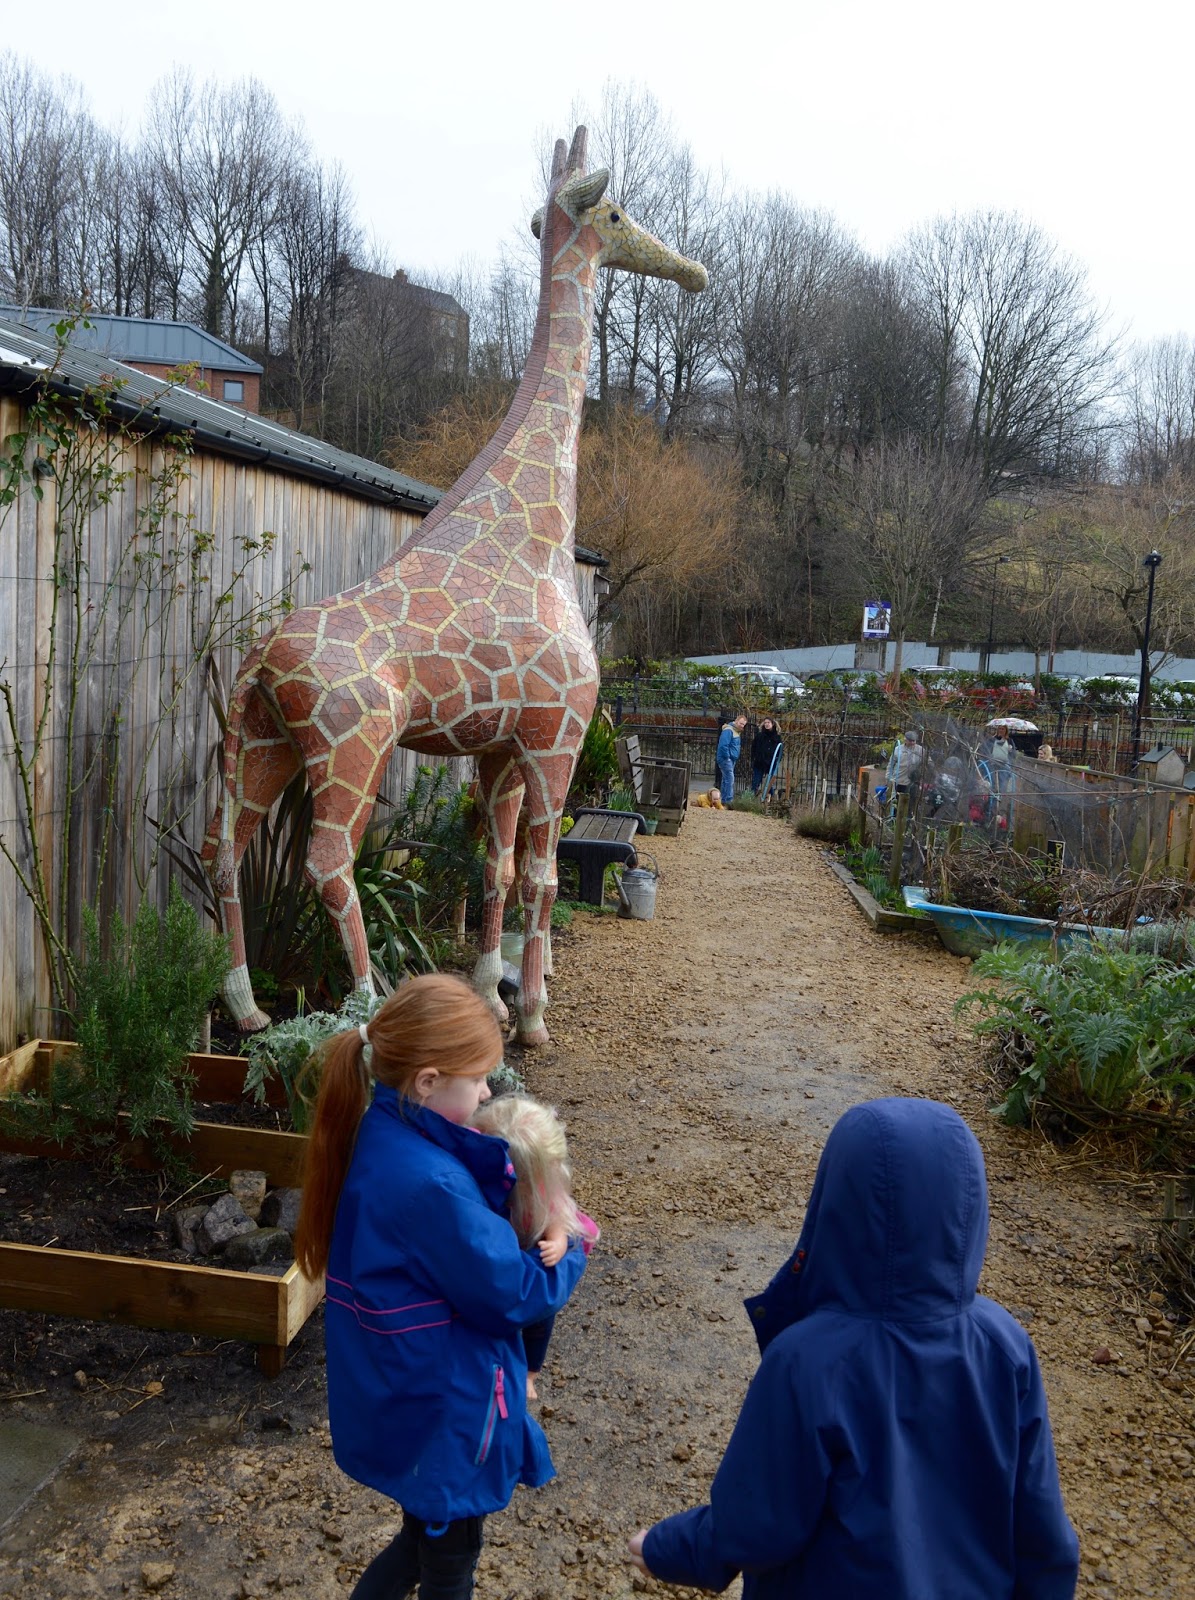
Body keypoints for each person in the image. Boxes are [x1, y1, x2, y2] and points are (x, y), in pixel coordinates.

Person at [627, 1097, 1079, 1599]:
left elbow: (758, 1523)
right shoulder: (1005, 1344)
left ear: (834, 1202)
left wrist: (666, 1547)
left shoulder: (805, 1360)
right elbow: (1042, 1529)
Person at [294, 975, 588, 1600]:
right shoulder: (431, 1185)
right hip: (445, 1412)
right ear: (427, 1082)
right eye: (478, 1079)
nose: (487, 1092)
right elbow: (513, 1293)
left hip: (408, 1394)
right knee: (450, 1563)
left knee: (418, 1546)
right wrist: (574, 1249)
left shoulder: (385, 1133)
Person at [471, 1093, 600, 1399]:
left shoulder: (540, 1188)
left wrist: (556, 1241)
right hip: (506, 1258)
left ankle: (530, 1373)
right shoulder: (483, 1176)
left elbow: (558, 1214)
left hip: (532, 1246)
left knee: (540, 1320)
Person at [716, 713, 748, 806]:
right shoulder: (729, 730)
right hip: (726, 758)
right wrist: (728, 757)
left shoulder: (735, 730)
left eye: (743, 725)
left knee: (726, 779)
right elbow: (723, 745)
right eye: (741, 723)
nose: (741, 726)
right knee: (730, 779)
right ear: (736, 721)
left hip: (730, 758)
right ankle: (728, 800)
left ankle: (724, 799)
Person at [885, 729, 923, 799]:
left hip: (913, 782)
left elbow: (927, 763)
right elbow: (891, 764)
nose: (912, 743)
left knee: (910, 802)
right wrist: (888, 778)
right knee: (896, 802)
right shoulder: (897, 749)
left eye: (914, 741)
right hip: (899, 780)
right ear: (905, 740)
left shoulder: (920, 750)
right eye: (910, 741)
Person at [750, 716, 782, 797]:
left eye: (768, 723)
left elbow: (780, 751)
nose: (766, 724)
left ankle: (772, 798)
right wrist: (754, 758)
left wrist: (777, 760)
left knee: (769, 782)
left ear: (772, 724)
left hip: (771, 763)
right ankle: (751, 797)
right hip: (759, 762)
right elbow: (753, 747)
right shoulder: (760, 736)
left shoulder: (777, 737)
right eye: (765, 723)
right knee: (756, 782)